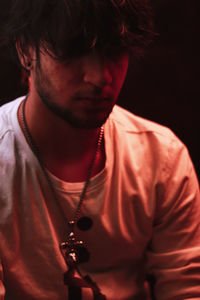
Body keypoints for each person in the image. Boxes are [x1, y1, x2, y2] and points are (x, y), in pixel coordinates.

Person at [0, 0, 200, 299]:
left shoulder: (162, 157)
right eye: (74, 51)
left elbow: (186, 288)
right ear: (26, 51)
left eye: (114, 52)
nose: (100, 77)